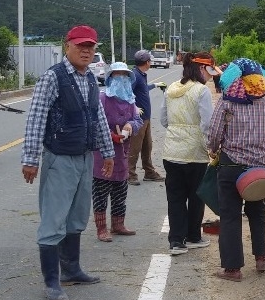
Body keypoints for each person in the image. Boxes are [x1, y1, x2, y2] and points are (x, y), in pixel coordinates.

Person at [21, 25, 115, 300]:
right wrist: (30, 159)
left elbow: (98, 118)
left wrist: (107, 152)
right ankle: (51, 281)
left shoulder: (88, 79)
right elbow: (36, 118)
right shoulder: (53, 78)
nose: (86, 51)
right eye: (81, 46)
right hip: (59, 158)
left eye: (91, 46)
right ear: (68, 46)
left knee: (77, 217)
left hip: (84, 156)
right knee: (53, 220)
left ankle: (71, 270)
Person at [207, 58, 265, 281]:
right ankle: (260, 258)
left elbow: (214, 134)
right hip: (258, 170)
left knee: (230, 216)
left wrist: (213, 150)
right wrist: (260, 149)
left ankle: (233, 269)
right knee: (257, 212)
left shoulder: (226, 102)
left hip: (230, 166)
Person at [161, 51, 220, 255]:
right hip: (194, 151)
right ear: (202, 69)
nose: (211, 76)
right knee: (196, 196)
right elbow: (207, 124)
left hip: (171, 151)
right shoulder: (201, 91)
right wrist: (213, 147)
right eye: (210, 72)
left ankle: (176, 241)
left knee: (175, 197)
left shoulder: (171, 88)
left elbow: (164, 120)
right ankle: (193, 236)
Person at [92, 62, 144, 242]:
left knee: (120, 190)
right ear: (109, 77)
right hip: (102, 153)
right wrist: (110, 135)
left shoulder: (130, 100)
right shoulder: (102, 98)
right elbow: (94, 123)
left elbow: (137, 120)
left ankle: (118, 224)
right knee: (101, 191)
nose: (121, 78)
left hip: (122, 151)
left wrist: (130, 126)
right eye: (117, 75)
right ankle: (101, 228)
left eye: (124, 75)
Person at [127, 49, 166, 185]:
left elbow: (142, 89)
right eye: (150, 61)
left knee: (147, 146)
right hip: (138, 119)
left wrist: (155, 85)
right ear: (147, 62)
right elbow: (127, 93)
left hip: (146, 118)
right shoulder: (135, 76)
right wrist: (134, 108)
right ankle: (130, 174)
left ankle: (149, 172)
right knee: (135, 147)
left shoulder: (141, 74)